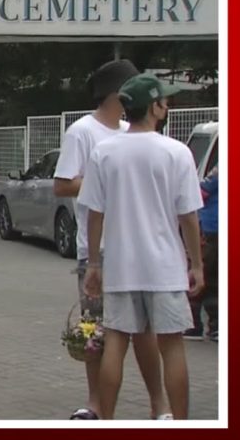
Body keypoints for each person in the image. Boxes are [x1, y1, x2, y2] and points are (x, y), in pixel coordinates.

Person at [79, 73, 204, 420]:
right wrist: (195, 264)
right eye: (164, 99)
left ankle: (107, 419)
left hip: (121, 265)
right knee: (172, 345)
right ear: (155, 107)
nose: (168, 103)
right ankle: (179, 422)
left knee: (116, 343)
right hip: (164, 267)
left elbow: (95, 214)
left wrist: (93, 264)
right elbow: (188, 216)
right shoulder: (176, 153)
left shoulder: (104, 152)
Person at [53, 59, 170, 420]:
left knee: (145, 333)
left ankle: (160, 407)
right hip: (98, 251)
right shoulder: (82, 132)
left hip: (137, 248)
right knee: (98, 334)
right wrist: (105, 184)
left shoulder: (131, 130)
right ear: (115, 94)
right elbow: (62, 184)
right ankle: (97, 407)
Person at [187, 164, 218, 341]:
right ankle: (215, 325)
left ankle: (195, 324)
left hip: (212, 228)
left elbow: (200, 194)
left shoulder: (220, 170)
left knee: (205, 275)